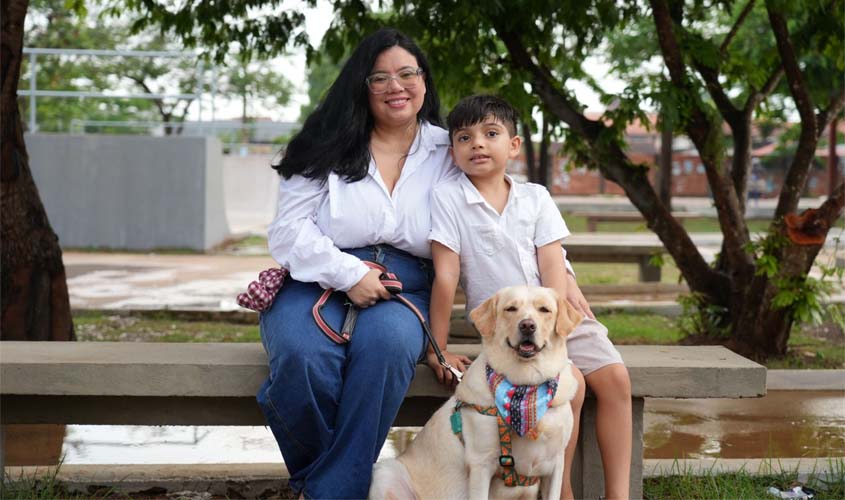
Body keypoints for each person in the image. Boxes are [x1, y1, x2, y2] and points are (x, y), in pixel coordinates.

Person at [256, 28, 474, 499]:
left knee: (387, 347)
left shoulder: (449, 150)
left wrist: (562, 271)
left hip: (406, 284)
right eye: (380, 78)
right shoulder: (326, 144)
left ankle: (323, 492)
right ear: (362, 86)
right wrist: (350, 274)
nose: (396, 86)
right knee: (301, 356)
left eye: (407, 73)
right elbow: (288, 231)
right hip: (318, 276)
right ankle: (337, 487)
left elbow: (501, 213)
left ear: (424, 81)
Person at [427, 94, 633, 500]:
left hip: (557, 315)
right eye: (465, 138)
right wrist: (438, 348)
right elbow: (446, 276)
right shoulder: (448, 198)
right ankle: (562, 490)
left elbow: (554, 267)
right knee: (570, 383)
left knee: (615, 379)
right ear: (452, 152)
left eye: (491, 134)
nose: (478, 144)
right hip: (509, 327)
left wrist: (558, 325)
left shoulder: (535, 197)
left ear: (514, 145)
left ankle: (619, 495)